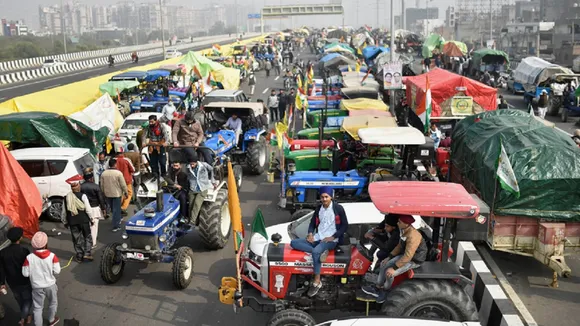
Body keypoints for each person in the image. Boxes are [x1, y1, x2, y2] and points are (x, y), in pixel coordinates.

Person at [290, 187, 349, 297]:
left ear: (331, 197)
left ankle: (317, 281)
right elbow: (312, 223)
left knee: (316, 251)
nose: (324, 199)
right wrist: (310, 233)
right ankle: (318, 252)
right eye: (322, 197)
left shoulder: (338, 208)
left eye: (326, 197)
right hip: (318, 238)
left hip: (331, 240)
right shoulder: (319, 209)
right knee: (294, 243)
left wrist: (333, 237)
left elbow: (345, 226)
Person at [362, 215, 427, 302]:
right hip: (405, 255)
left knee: (390, 273)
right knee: (383, 264)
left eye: (399, 222)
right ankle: (377, 287)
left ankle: (385, 291)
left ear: (406, 224)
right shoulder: (404, 230)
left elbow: (408, 256)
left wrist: (394, 268)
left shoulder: (413, 236)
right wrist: (389, 257)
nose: (397, 223)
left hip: (414, 260)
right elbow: (399, 246)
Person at [23, 231, 61, 326]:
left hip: (37, 287)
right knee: (53, 303)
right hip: (50, 285)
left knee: (38, 308)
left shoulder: (29, 258)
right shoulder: (53, 256)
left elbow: (25, 273)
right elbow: (57, 271)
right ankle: (52, 320)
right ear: (46, 244)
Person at [0, 227, 32, 326]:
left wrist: (2, 283)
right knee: (27, 300)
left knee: (19, 299)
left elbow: (1, 270)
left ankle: (27, 315)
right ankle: (23, 318)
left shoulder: (3, 253)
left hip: (12, 282)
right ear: (20, 238)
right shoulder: (24, 251)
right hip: (24, 281)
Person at [63, 176, 94, 262]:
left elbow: (64, 212)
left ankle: (79, 255)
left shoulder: (66, 197)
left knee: (76, 239)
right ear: (79, 186)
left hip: (72, 221)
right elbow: (88, 209)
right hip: (84, 220)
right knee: (87, 237)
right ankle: (87, 253)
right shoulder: (83, 196)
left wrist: (65, 222)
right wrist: (92, 219)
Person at [185, 151, 216, 224]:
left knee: (196, 204)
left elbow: (212, 170)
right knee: (191, 205)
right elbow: (188, 177)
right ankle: (190, 220)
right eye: (191, 164)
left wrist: (213, 181)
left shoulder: (204, 165)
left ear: (196, 162)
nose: (192, 166)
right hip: (193, 188)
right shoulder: (188, 167)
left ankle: (192, 222)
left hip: (202, 188)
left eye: (193, 164)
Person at [100, 158, 128, 232]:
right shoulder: (118, 173)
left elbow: (102, 185)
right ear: (115, 164)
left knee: (113, 209)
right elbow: (123, 184)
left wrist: (103, 192)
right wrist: (126, 192)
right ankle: (116, 225)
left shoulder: (104, 173)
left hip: (107, 194)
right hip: (116, 193)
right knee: (116, 210)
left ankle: (117, 219)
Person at [81, 168, 106, 249]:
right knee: (94, 227)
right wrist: (103, 209)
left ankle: (86, 242)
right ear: (92, 178)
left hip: (84, 209)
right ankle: (93, 243)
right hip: (95, 209)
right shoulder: (96, 187)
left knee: (86, 227)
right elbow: (101, 199)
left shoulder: (81, 187)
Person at [115, 148, 135, 216]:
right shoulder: (126, 160)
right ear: (123, 153)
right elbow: (133, 169)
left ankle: (118, 207)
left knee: (120, 194)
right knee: (129, 193)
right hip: (126, 180)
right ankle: (123, 207)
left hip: (116, 180)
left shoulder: (112, 160)